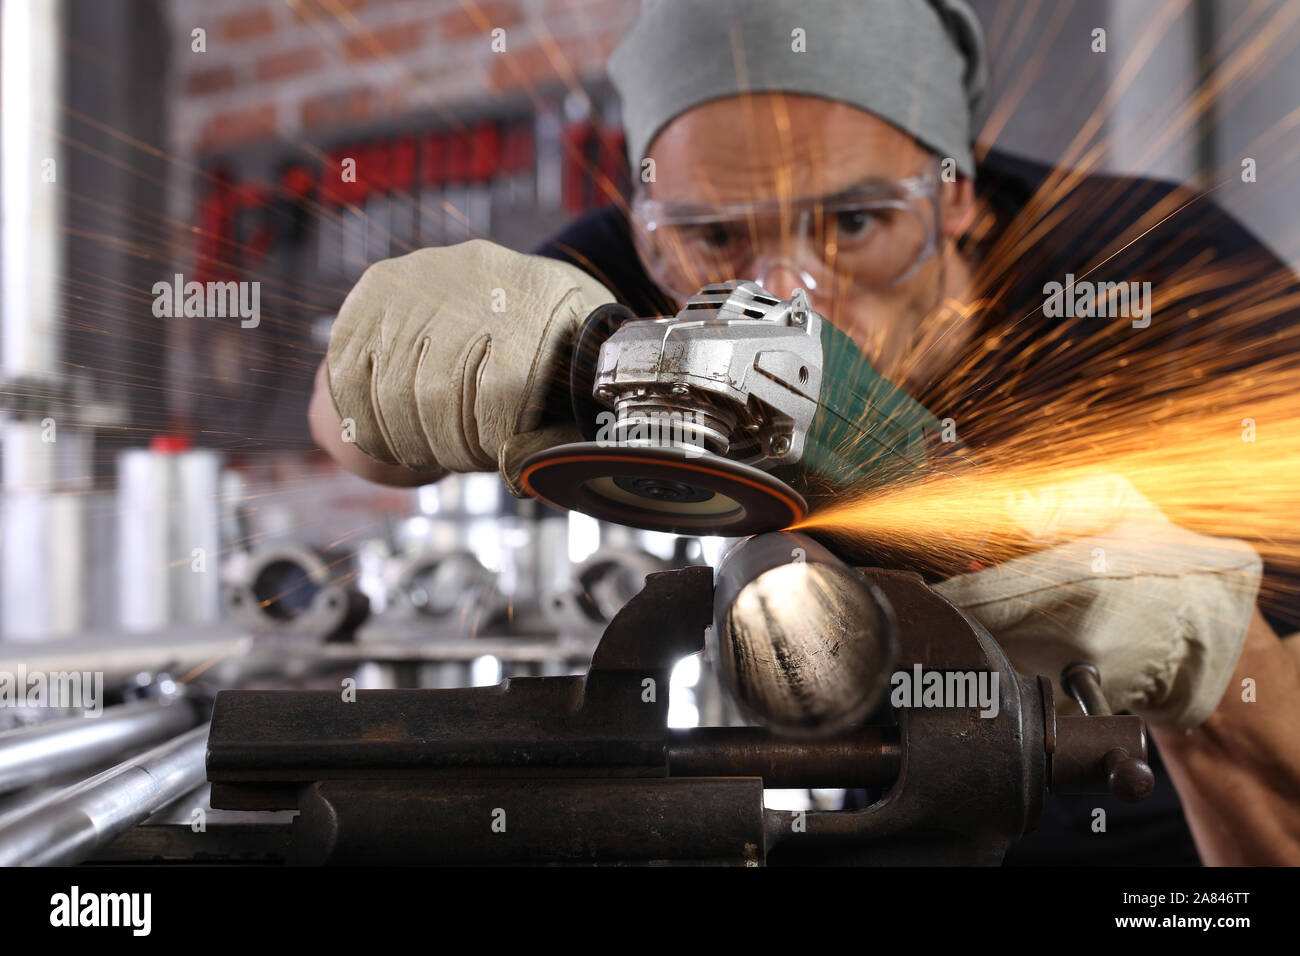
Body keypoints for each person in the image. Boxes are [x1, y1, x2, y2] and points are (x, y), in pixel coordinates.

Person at [308, 0, 1300, 864]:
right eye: (719, 237)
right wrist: (418, 336)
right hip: (897, 807)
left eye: (855, 224)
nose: (789, 296)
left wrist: (1204, 645)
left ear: (953, 193)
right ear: (651, 227)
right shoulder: (643, 272)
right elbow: (357, 433)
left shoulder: (1160, 280)